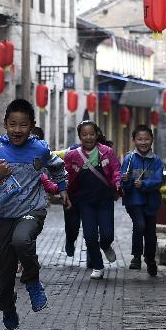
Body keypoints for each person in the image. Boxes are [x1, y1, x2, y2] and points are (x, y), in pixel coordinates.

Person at [0, 99, 69, 330]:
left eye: (23, 125)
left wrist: (62, 188)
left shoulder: (40, 149)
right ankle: (8, 307)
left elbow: (57, 167)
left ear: (31, 125)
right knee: (4, 274)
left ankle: (32, 279)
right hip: (3, 217)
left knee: (22, 240)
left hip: (32, 211)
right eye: (12, 124)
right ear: (5, 124)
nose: (17, 130)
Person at [63, 120, 121, 280]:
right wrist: (64, 190)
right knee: (89, 235)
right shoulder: (72, 155)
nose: (88, 137)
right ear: (80, 136)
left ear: (96, 135)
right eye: (84, 134)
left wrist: (117, 183)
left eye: (91, 134)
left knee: (107, 234)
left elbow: (116, 169)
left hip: (104, 200)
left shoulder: (107, 152)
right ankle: (98, 265)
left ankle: (105, 245)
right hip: (84, 201)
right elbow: (66, 174)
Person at [120, 125, 165, 277]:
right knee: (139, 225)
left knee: (151, 233)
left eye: (146, 139)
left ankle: (150, 258)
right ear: (134, 140)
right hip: (134, 200)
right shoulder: (129, 158)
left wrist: (145, 184)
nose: (143, 142)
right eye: (139, 139)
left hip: (151, 202)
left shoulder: (156, 161)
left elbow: (159, 180)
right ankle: (136, 256)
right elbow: (123, 183)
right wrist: (126, 181)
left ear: (152, 140)